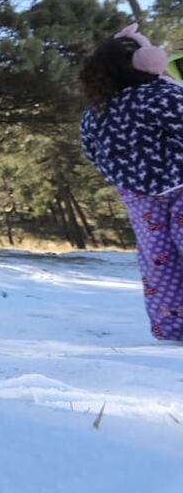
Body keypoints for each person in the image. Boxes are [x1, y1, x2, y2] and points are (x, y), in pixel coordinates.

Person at [78, 29, 183, 342]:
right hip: (179, 181)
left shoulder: (95, 112)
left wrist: (122, 175)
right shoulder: (162, 95)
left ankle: (171, 326)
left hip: (137, 195)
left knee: (157, 257)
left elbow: (91, 151)